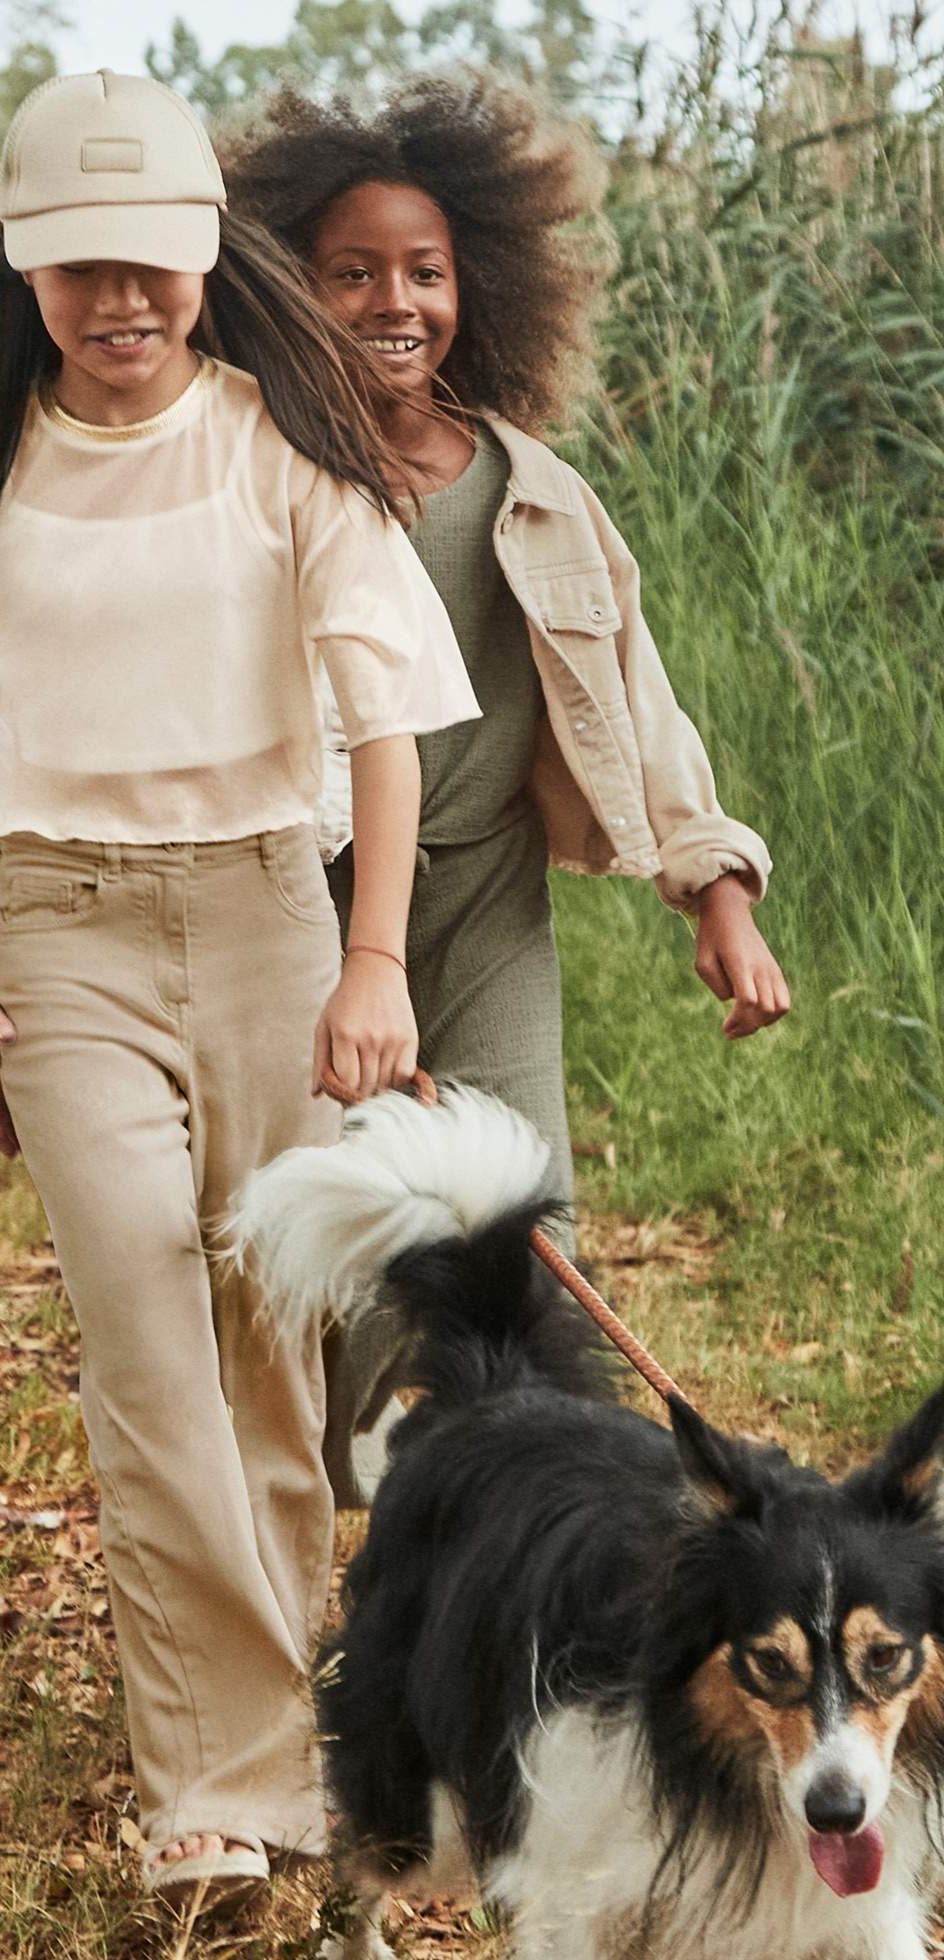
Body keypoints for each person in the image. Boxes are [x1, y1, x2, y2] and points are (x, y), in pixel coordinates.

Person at [0, 70, 477, 1908]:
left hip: (264, 922)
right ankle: (221, 1784)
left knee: (265, 1344)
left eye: (150, 267)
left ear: (207, 263)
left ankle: (277, 1684)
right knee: (145, 1324)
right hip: (61, 932)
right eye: (78, 273)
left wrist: (372, 959)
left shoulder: (286, 454)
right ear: (23, 272)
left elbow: (385, 728)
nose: (119, 303)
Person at [224, 70, 791, 1505]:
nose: (393, 302)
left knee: (521, 1233)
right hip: (293, 908)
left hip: (484, 900)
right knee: (333, 1235)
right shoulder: (252, 479)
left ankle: (531, 1546)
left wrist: (715, 889)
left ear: (484, 283)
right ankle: (328, 1539)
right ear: (285, 285)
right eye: (349, 274)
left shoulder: (533, 491)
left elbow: (636, 703)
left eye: (425, 271)